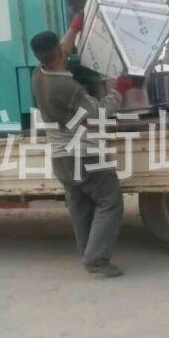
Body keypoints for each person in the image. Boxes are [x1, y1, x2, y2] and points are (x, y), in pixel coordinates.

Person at [30, 14, 134, 278]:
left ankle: (89, 252)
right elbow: (99, 114)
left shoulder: (38, 74)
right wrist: (119, 90)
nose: (64, 50)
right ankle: (96, 259)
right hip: (83, 156)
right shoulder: (67, 87)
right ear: (57, 52)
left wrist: (74, 28)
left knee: (79, 207)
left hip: (61, 158)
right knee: (109, 201)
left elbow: (62, 49)